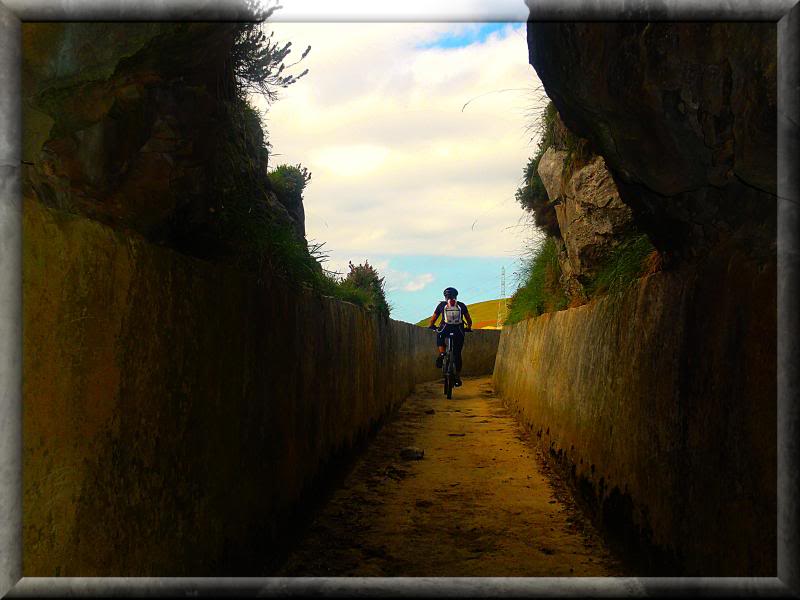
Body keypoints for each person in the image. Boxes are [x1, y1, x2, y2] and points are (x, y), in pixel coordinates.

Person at [428, 287, 472, 387]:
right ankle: (457, 378)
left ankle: (442, 353)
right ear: (456, 295)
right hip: (458, 331)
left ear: (445, 296)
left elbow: (433, 319)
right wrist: (468, 327)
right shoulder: (461, 305)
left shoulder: (442, 305)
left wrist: (431, 326)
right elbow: (469, 320)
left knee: (439, 336)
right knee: (457, 354)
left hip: (445, 329)